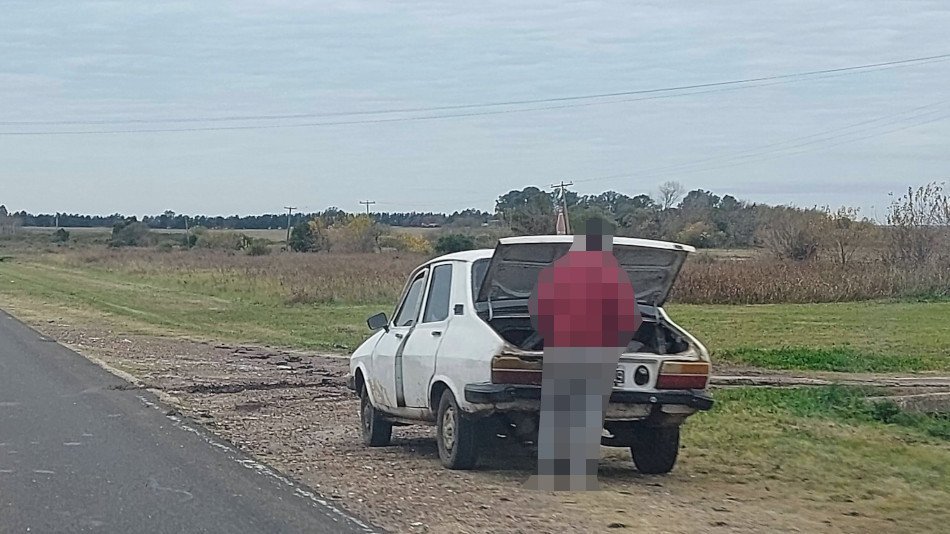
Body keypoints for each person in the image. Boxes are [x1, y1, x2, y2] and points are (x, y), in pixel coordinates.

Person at [526, 217, 642, 491]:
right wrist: (616, 344)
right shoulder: (612, 273)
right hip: (600, 353)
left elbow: (536, 309)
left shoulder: (558, 270)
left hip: (562, 350)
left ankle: (554, 474)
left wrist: (551, 335)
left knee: (557, 413)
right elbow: (630, 317)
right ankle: (580, 475)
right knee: (588, 415)